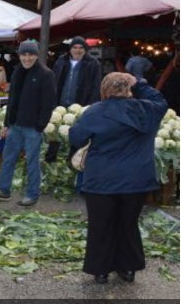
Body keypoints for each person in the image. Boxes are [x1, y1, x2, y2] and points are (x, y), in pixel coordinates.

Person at [69, 72, 167, 284]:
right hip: (137, 180)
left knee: (100, 225)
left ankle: (101, 271)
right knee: (128, 224)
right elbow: (161, 101)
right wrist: (139, 83)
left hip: (101, 180)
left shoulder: (95, 111)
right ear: (128, 89)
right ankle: (128, 269)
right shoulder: (147, 109)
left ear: (104, 89)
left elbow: (76, 137)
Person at [0, 40, 57, 207]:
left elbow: (49, 104)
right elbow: (12, 100)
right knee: (8, 158)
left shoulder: (46, 74)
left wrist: (40, 126)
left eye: (30, 54)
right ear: (19, 56)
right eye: (24, 55)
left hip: (32, 127)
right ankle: (4, 190)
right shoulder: (17, 71)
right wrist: (6, 123)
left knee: (32, 161)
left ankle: (32, 194)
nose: (27, 58)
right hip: (15, 125)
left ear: (36, 55)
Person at [46, 36, 102, 162]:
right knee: (55, 131)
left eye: (81, 48)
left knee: (77, 134)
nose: (77, 50)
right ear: (70, 49)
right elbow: (53, 81)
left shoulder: (93, 63)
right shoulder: (61, 61)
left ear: (85, 49)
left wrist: (90, 106)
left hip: (80, 104)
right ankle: (51, 160)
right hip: (59, 103)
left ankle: (73, 160)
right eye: (75, 47)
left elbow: (96, 86)